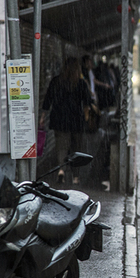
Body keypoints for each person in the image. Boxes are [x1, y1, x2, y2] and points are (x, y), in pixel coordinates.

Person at [41, 57, 92, 185]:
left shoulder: (56, 81)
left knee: (61, 147)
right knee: (76, 148)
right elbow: (87, 103)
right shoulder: (80, 83)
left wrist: (42, 116)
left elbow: (48, 100)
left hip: (59, 119)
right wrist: (86, 118)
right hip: (76, 119)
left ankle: (61, 171)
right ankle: (75, 177)